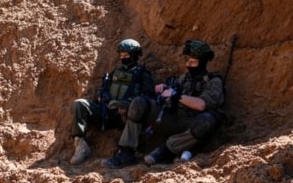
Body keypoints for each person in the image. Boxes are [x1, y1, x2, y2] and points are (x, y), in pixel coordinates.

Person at [108, 39, 224, 168]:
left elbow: (201, 104)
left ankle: (165, 151)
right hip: (173, 120)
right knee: (140, 102)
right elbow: (170, 94)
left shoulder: (213, 81)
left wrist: (175, 95)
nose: (188, 65)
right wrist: (163, 90)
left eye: (193, 62)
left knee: (207, 120)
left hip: (192, 127)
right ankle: (126, 152)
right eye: (187, 61)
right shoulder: (184, 78)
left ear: (202, 62)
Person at [69, 39, 155, 166]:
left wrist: (127, 104)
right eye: (121, 55)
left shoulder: (143, 74)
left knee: (136, 107)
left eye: (127, 55)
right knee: (79, 104)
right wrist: (102, 95)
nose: (123, 58)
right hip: (107, 112)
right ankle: (81, 144)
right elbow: (104, 88)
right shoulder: (115, 72)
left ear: (135, 56)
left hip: (125, 117)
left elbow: (147, 97)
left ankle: (126, 153)